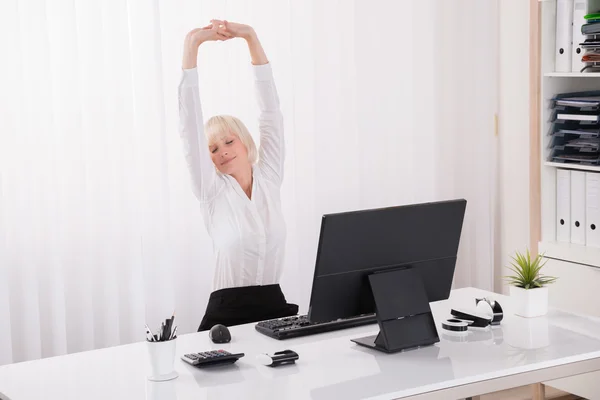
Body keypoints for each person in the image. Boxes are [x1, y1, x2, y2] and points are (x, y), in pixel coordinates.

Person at [178, 20, 298, 332]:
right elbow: (190, 131)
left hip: (274, 307)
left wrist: (251, 38)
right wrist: (191, 49)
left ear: (244, 142)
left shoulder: (269, 177)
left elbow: (271, 114)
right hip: (225, 317)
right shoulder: (211, 191)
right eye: (213, 149)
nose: (223, 152)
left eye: (229, 141)